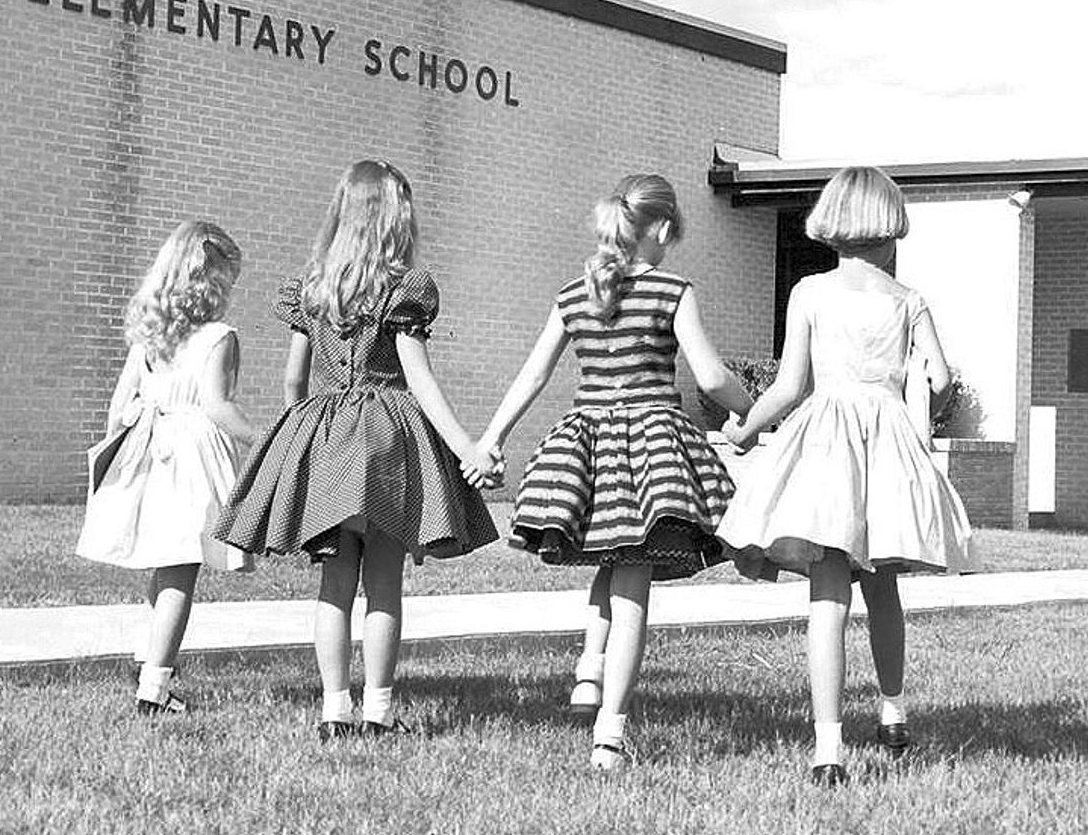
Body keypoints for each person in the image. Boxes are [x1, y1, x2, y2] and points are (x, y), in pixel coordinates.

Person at [213, 159, 499, 741]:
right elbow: (418, 378)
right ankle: (380, 710)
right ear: (397, 219)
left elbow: (294, 381)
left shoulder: (313, 289)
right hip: (389, 439)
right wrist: (466, 444)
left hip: (327, 437)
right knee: (385, 582)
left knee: (334, 584)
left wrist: (300, 441)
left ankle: (334, 709)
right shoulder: (407, 288)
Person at [475, 174, 752, 771]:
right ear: (662, 230)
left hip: (589, 444)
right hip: (650, 444)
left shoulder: (574, 295)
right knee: (633, 584)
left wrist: (492, 438)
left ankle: (588, 674)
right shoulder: (673, 291)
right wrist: (752, 412)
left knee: (610, 558)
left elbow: (534, 374)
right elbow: (708, 377)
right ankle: (610, 733)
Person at [717, 166, 974, 787]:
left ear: (833, 221)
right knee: (883, 587)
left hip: (827, 445)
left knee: (827, 595)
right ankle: (891, 712)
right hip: (887, 445)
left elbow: (789, 386)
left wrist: (747, 429)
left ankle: (828, 747)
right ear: (889, 225)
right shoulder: (909, 299)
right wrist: (920, 402)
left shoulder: (809, 291)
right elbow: (939, 382)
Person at [77, 220, 256, 714]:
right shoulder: (220, 337)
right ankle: (154, 689)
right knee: (182, 568)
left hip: (149, 447)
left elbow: (118, 408)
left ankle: (148, 659)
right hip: (191, 456)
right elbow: (218, 406)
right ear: (211, 281)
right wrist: (261, 441)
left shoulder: (148, 334)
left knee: (165, 560)